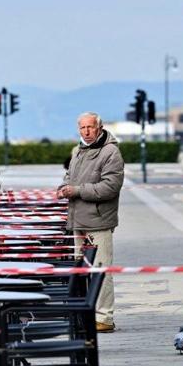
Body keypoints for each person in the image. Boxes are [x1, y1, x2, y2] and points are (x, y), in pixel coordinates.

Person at [58, 112, 125, 333]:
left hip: (98, 221)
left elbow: (110, 187)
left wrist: (76, 190)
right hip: (78, 220)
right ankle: (86, 313)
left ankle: (104, 317)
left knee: (101, 270)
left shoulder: (110, 152)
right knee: (82, 271)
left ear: (99, 128)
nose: (86, 132)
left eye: (90, 127)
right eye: (82, 128)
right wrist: (64, 187)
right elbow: (70, 177)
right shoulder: (78, 151)